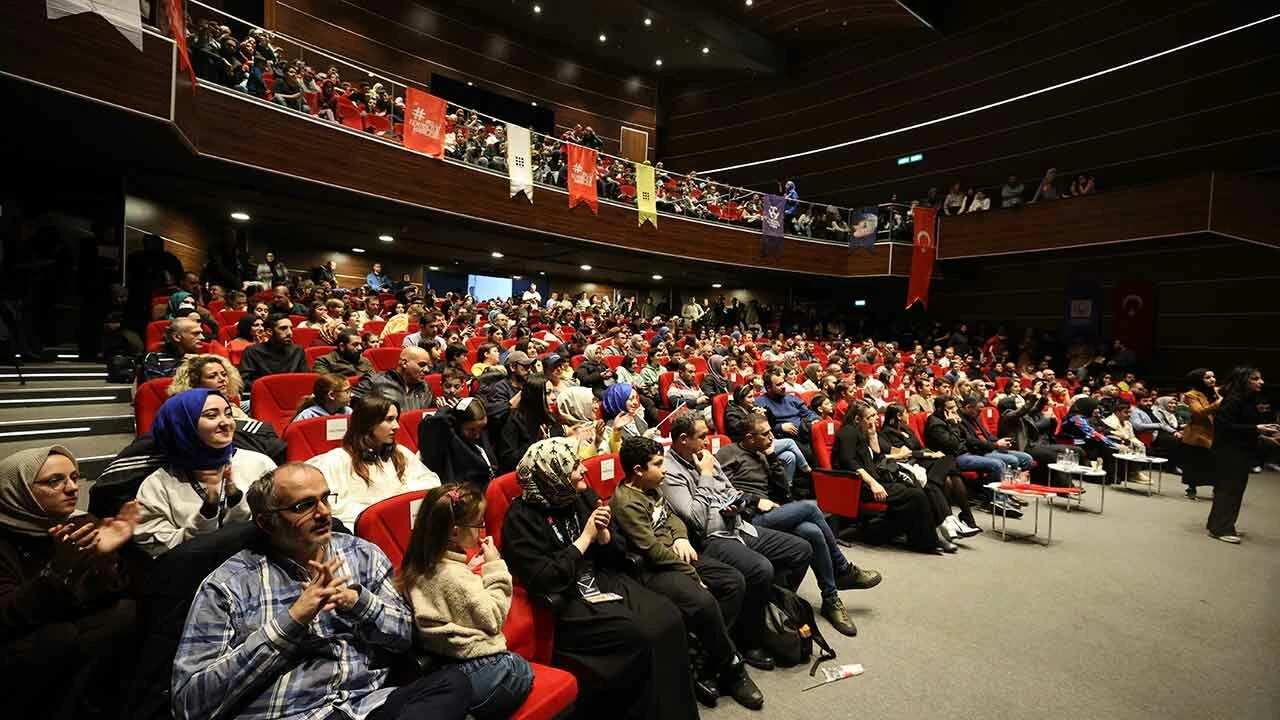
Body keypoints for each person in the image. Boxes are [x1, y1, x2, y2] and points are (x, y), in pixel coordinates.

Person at [171, 463, 471, 720]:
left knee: (453, 684)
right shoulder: (228, 585)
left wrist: (358, 603)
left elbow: (408, 638)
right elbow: (188, 704)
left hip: (364, 705)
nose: (324, 512)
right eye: (304, 506)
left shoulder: (363, 555)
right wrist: (290, 622)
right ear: (266, 522)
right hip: (290, 713)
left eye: (325, 498)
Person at [501, 438, 699, 720]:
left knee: (668, 616)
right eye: (574, 467)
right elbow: (545, 579)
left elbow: (618, 549)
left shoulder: (579, 495)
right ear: (551, 475)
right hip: (567, 597)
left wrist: (605, 536)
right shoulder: (520, 519)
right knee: (637, 633)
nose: (584, 470)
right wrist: (585, 539)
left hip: (602, 577)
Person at [611, 436, 763, 710]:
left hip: (678, 555)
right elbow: (653, 551)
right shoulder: (626, 502)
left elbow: (672, 518)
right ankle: (732, 669)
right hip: (654, 569)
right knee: (704, 601)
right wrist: (694, 577)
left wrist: (681, 537)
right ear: (638, 470)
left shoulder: (652, 487)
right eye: (658, 464)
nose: (664, 470)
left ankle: (705, 662)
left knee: (733, 581)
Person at [0, 446, 141, 720]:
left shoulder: (79, 523)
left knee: (126, 611)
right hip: (21, 649)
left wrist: (104, 558)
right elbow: (8, 619)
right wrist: (60, 568)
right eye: (55, 481)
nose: (73, 488)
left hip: (70, 640)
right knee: (59, 637)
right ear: (17, 490)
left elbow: (108, 596)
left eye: (75, 477)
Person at [662, 413, 814, 663]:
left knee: (801, 549)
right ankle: (749, 639)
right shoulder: (669, 471)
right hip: (710, 539)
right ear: (683, 439)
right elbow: (695, 519)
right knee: (761, 569)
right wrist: (706, 474)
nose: (707, 441)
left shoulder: (705, 457)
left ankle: (767, 608)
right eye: (702, 436)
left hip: (739, 525)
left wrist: (739, 504)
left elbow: (731, 491)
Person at [717, 412, 882, 633]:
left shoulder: (763, 454)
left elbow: (783, 490)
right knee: (810, 507)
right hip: (747, 517)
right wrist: (755, 500)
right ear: (749, 437)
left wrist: (772, 458)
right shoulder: (728, 453)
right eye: (766, 434)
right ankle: (842, 569)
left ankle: (830, 599)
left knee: (811, 531)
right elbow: (720, 490)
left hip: (771, 512)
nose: (771, 437)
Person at [400, 483, 534, 719]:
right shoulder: (453, 575)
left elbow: (449, 594)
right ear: (454, 532)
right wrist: (494, 566)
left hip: (444, 665)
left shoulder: (419, 563)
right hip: (475, 665)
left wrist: (468, 570)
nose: (482, 531)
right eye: (478, 524)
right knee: (522, 669)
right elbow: (493, 618)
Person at [133, 389, 278, 557]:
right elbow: (156, 547)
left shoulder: (259, 463)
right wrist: (206, 515)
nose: (226, 423)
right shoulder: (158, 484)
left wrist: (237, 501)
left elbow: (282, 522)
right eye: (212, 415)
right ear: (183, 425)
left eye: (228, 414)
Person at [833, 403, 956, 554]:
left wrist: (872, 435)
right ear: (857, 419)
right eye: (870, 417)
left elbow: (877, 457)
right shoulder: (848, 433)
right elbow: (850, 463)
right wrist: (874, 484)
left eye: (875, 415)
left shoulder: (862, 432)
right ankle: (928, 542)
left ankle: (918, 536)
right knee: (915, 495)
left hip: (875, 478)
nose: (875, 419)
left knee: (918, 488)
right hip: (858, 485)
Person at [307, 396, 439, 527]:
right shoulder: (337, 460)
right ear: (368, 423)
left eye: (396, 419)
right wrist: (379, 511)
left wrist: (400, 499)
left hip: (401, 523)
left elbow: (430, 480)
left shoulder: (399, 453)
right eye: (389, 419)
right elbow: (332, 506)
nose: (397, 426)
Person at [880, 403, 981, 535]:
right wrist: (929, 455)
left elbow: (918, 447)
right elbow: (904, 453)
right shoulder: (887, 433)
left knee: (950, 470)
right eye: (905, 413)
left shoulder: (907, 429)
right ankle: (963, 518)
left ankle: (958, 519)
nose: (908, 415)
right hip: (912, 463)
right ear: (899, 416)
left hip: (922, 459)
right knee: (949, 463)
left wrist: (929, 452)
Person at [1206, 367, 1279, 543]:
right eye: (1255, 379)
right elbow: (1225, 428)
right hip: (1230, 451)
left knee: (1232, 489)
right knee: (1229, 490)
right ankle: (1221, 528)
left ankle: (1217, 524)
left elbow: (1240, 426)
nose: (1261, 382)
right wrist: (1256, 429)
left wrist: (1263, 436)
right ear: (1243, 380)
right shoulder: (1233, 400)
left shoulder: (1247, 400)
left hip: (1240, 450)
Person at [420, 398, 498, 488]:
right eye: (471, 430)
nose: (477, 435)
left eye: (481, 428)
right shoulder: (449, 441)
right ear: (459, 424)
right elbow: (434, 422)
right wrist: (446, 409)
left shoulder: (482, 434)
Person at [498, 375, 565, 472]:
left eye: (553, 392)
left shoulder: (548, 416)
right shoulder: (513, 421)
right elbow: (507, 461)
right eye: (547, 393)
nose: (554, 397)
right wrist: (536, 443)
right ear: (534, 397)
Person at [755, 368, 820, 465]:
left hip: (803, 432)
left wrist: (814, 420)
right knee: (810, 456)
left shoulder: (791, 398)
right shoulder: (760, 403)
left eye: (783, 383)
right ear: (768, 388)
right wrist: (780, 427)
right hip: (783, 437)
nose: (783, 387)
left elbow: (809, 413)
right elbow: (760, 427)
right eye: (778, 385)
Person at [476, 350, 536, 445]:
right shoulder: (500, 388)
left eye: (530, 367)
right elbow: (502, 414)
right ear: (512, 367)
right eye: (525, 367)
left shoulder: (528, 385)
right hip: (510, 439)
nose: (529, 370)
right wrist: (525, 389)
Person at [352, 346, 435, 411]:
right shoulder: (373, 381)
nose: (427, 370)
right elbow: (354, 413)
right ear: (404, 363)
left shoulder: (425, 387)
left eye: (428, 366)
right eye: (422, 365)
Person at [238, 314, 308, 389]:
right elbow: (245, 381)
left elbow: (305, 379)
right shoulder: (252, 351)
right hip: (265, 393)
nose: (290, 333)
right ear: (269, 331)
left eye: (291, 328)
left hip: (292, 392)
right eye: (283, 328)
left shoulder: (298, 351)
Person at [1180, 369, 1220, 499]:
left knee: (1216, 463)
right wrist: (1217, 404)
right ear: (1199, 380)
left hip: (1217, 431)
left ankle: (1217, 489)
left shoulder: (1218, 392)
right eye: (1207, 377)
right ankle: (1191, 489)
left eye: (1213, 376)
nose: (1212, 380)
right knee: (1196, 462)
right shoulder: (1191, 395)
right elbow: (1199, 413)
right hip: (1199, 433)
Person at [600, 383, 652, 454]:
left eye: (636, 398)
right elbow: (622, 453)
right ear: (618, 401)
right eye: (631, 399)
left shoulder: (637, 417)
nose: (636, 402)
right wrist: (645, 438)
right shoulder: (610, 428)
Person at [556, 386, 602, 459]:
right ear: (576, 406)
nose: (597, 406)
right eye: (593, 402)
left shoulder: (599, 426)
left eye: (596, 401)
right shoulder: (567, 441)